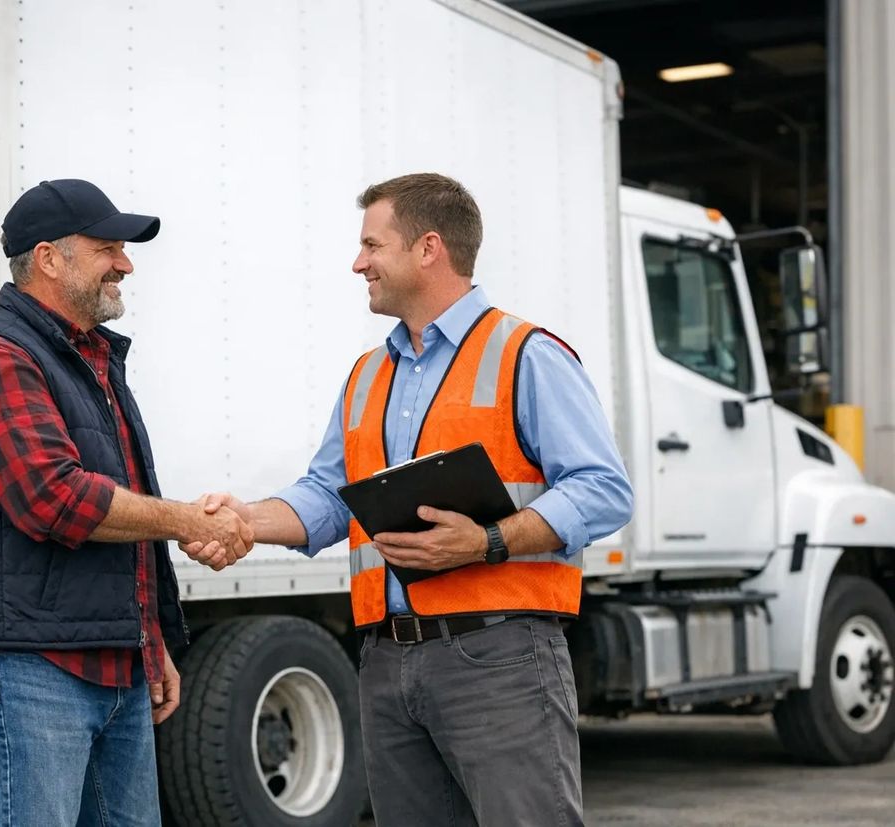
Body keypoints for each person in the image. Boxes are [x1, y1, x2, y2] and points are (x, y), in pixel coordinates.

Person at [189, 173, 633, 826]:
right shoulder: (370, 373)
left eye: (373, 244)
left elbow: (603, 489)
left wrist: (488, 540)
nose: (358, 262)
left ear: (428, 249)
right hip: (388, 660)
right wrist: (246, 520)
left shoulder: (525, 354)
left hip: (500, 658)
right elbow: (327, 497)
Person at [0, 178, 253, 827]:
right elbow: (54, 499)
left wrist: (149, 636)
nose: (125, 263)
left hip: (112, 665)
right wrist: (190, 519)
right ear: (49, 258)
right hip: (29, 668)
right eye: (108, 247)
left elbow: (122, 517)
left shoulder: (91, 360)